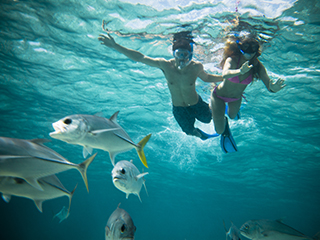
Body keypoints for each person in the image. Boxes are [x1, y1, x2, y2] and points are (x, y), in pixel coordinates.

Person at [98, 27, 223, 140]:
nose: (182, 59)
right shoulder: (165, 65)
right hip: (179, 108)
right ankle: (202, 136)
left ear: (190, 56)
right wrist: (115, 46)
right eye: (178, 54)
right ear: (173, 54)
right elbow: (140, 57)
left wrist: (224, 78)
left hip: (196, 104)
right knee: (189, 132)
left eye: (186, 55)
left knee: (209, 119)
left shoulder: (196, 67)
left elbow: (206, 78)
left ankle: (216, 108)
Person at [211, 37, 286, 153]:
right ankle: (224, 126)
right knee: (219, 130)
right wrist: (240, 71)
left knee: (233, 116)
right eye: (246, 48)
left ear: (257, 51)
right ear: (240, 47)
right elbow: (225, 74)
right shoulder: (232, 59)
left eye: (253, 50)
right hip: (219, 96)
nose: (249, 53)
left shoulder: (257, 66)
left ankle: (227, 115)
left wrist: (273, 88)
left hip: (236, 98)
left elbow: (268, 84)